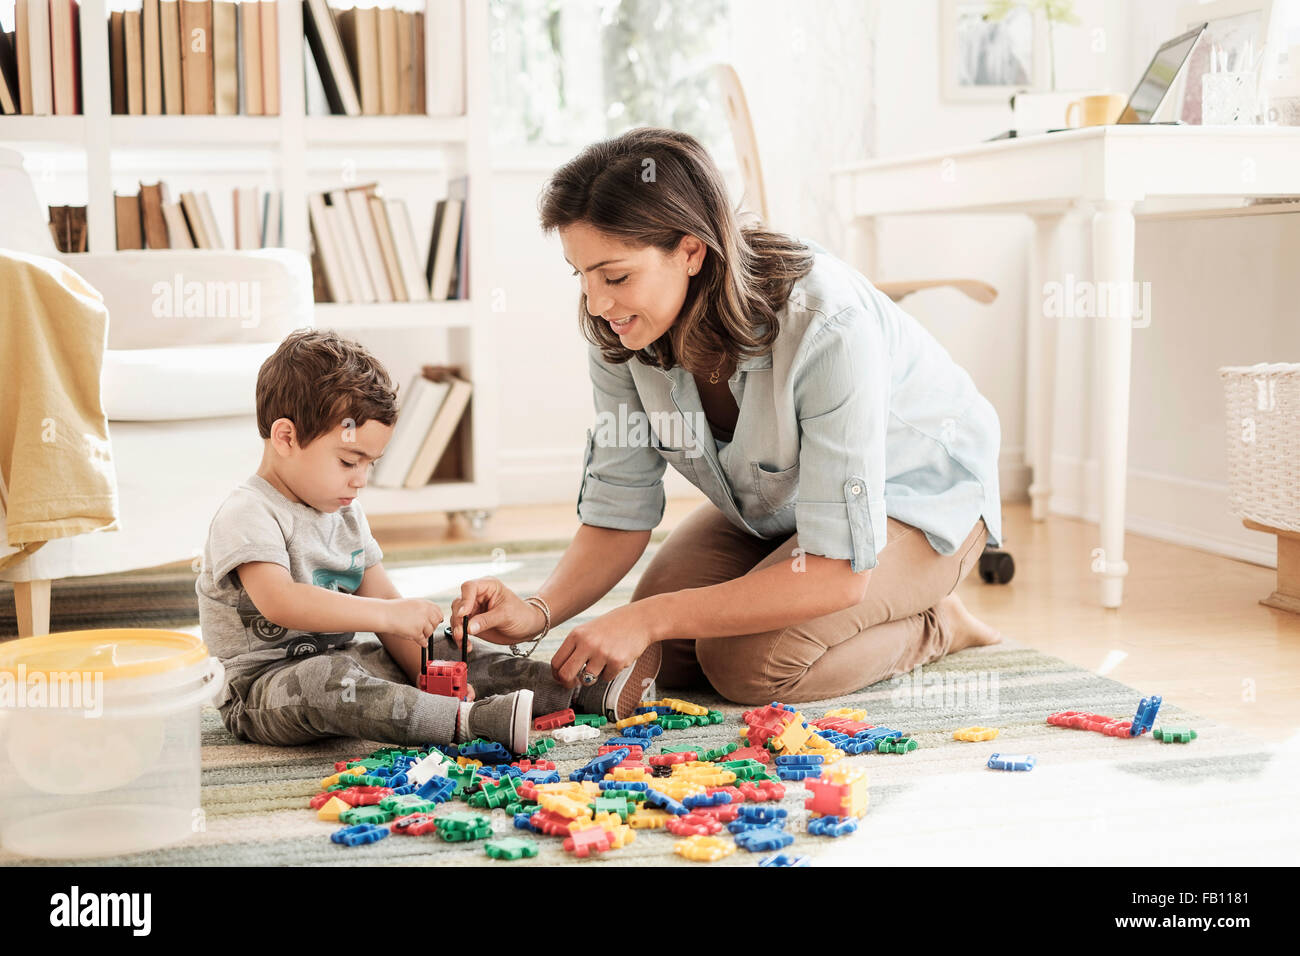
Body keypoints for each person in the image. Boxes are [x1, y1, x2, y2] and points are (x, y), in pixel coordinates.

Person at [449, 127, 1004, 707]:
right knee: (677, 656)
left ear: (691, 250)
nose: (596, 302)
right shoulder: (620, 327)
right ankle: (852, 598)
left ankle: (935, 622)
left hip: (917, 498)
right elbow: (619, 507)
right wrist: (537, 612)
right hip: (788, 506)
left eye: (615, 276)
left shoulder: (826, 326)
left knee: (748, 666)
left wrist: (649, 615)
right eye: (580, 274)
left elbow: (837, 569)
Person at [196, 330, 637, 751]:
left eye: (371, 463)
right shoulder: (248, 512)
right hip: (263, 691)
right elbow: (281, 601)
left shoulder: (345, 510)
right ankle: (468, 723)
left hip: (348, 662)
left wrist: (431, 668)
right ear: (286, 437)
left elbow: (384, 600)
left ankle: (572, 691)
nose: (362, 479)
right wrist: (389, 616)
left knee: (444, 647)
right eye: (350, 460)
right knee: (326, 678)